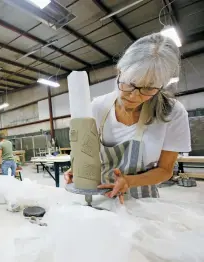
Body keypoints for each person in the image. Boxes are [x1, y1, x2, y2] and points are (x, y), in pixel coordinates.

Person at [64, 33, 191, 204]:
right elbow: (89, 151)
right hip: (102, 197)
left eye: (148, 89)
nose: (134, 95)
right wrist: (79, 168)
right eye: (130, 83)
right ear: (120, 71)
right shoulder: (98, 107)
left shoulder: (172, 112)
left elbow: (165, 170)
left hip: (143, 202)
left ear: (161, 86)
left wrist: (129, 181)